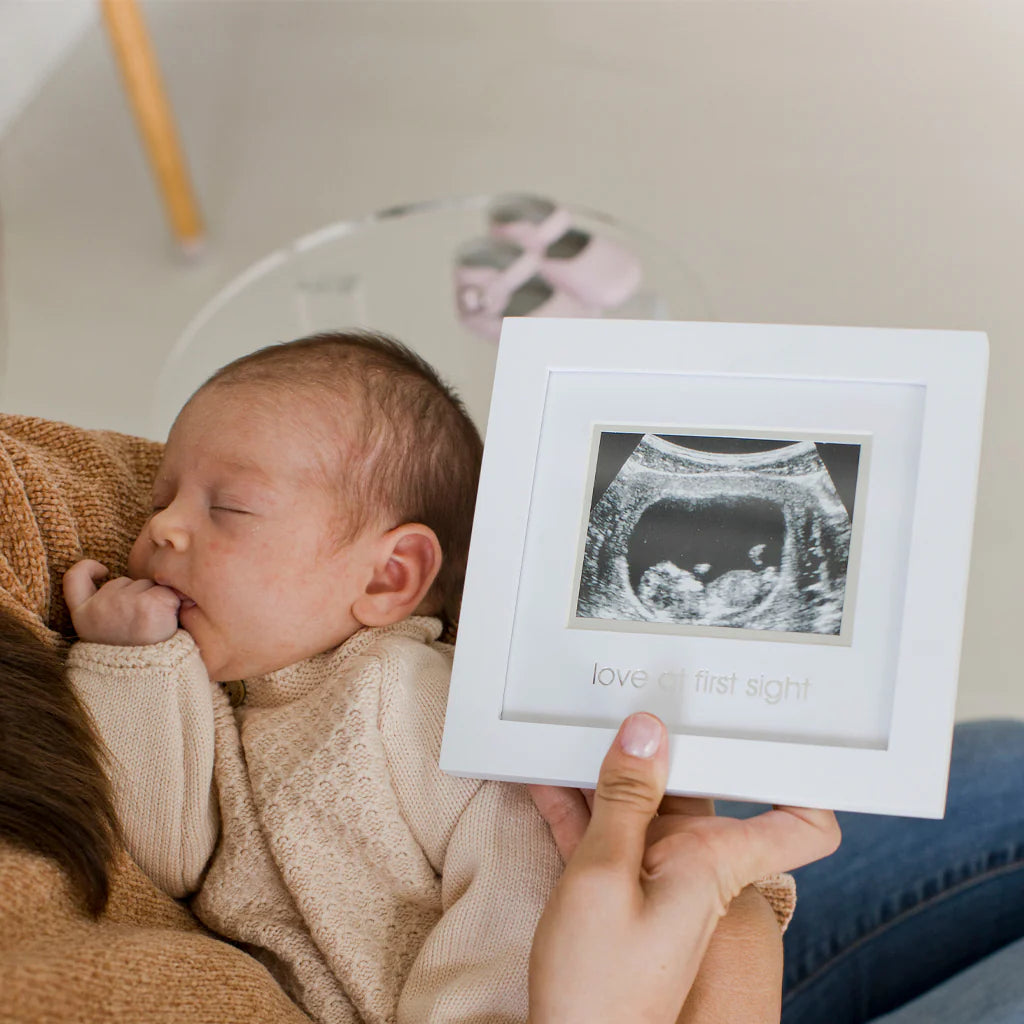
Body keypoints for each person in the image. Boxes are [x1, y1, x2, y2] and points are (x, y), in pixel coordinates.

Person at [62, 330, 812, 1024]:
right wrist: (132, 664)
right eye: (161, 497)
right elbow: (163, 861)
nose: (161, 527)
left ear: (391, 576)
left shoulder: (421, 698)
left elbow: (519, 904)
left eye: (229, 507)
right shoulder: (215, 692)